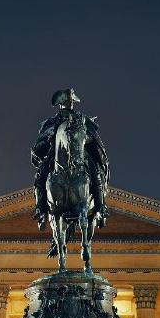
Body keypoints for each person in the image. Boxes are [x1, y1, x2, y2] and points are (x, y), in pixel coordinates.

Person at [31, 88, 110, 231]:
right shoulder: (52, 122)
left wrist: (84, 138)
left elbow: (93, 137)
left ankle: (101, 206)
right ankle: (40, 209)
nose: (70, 104)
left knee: (96, 173)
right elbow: (40, 143)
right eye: (67, 101)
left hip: (80, 153)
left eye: (71, 101)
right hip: (56, 154)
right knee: (40, 175)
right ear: (61, 103)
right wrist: (49, 139)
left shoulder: (81, 118)